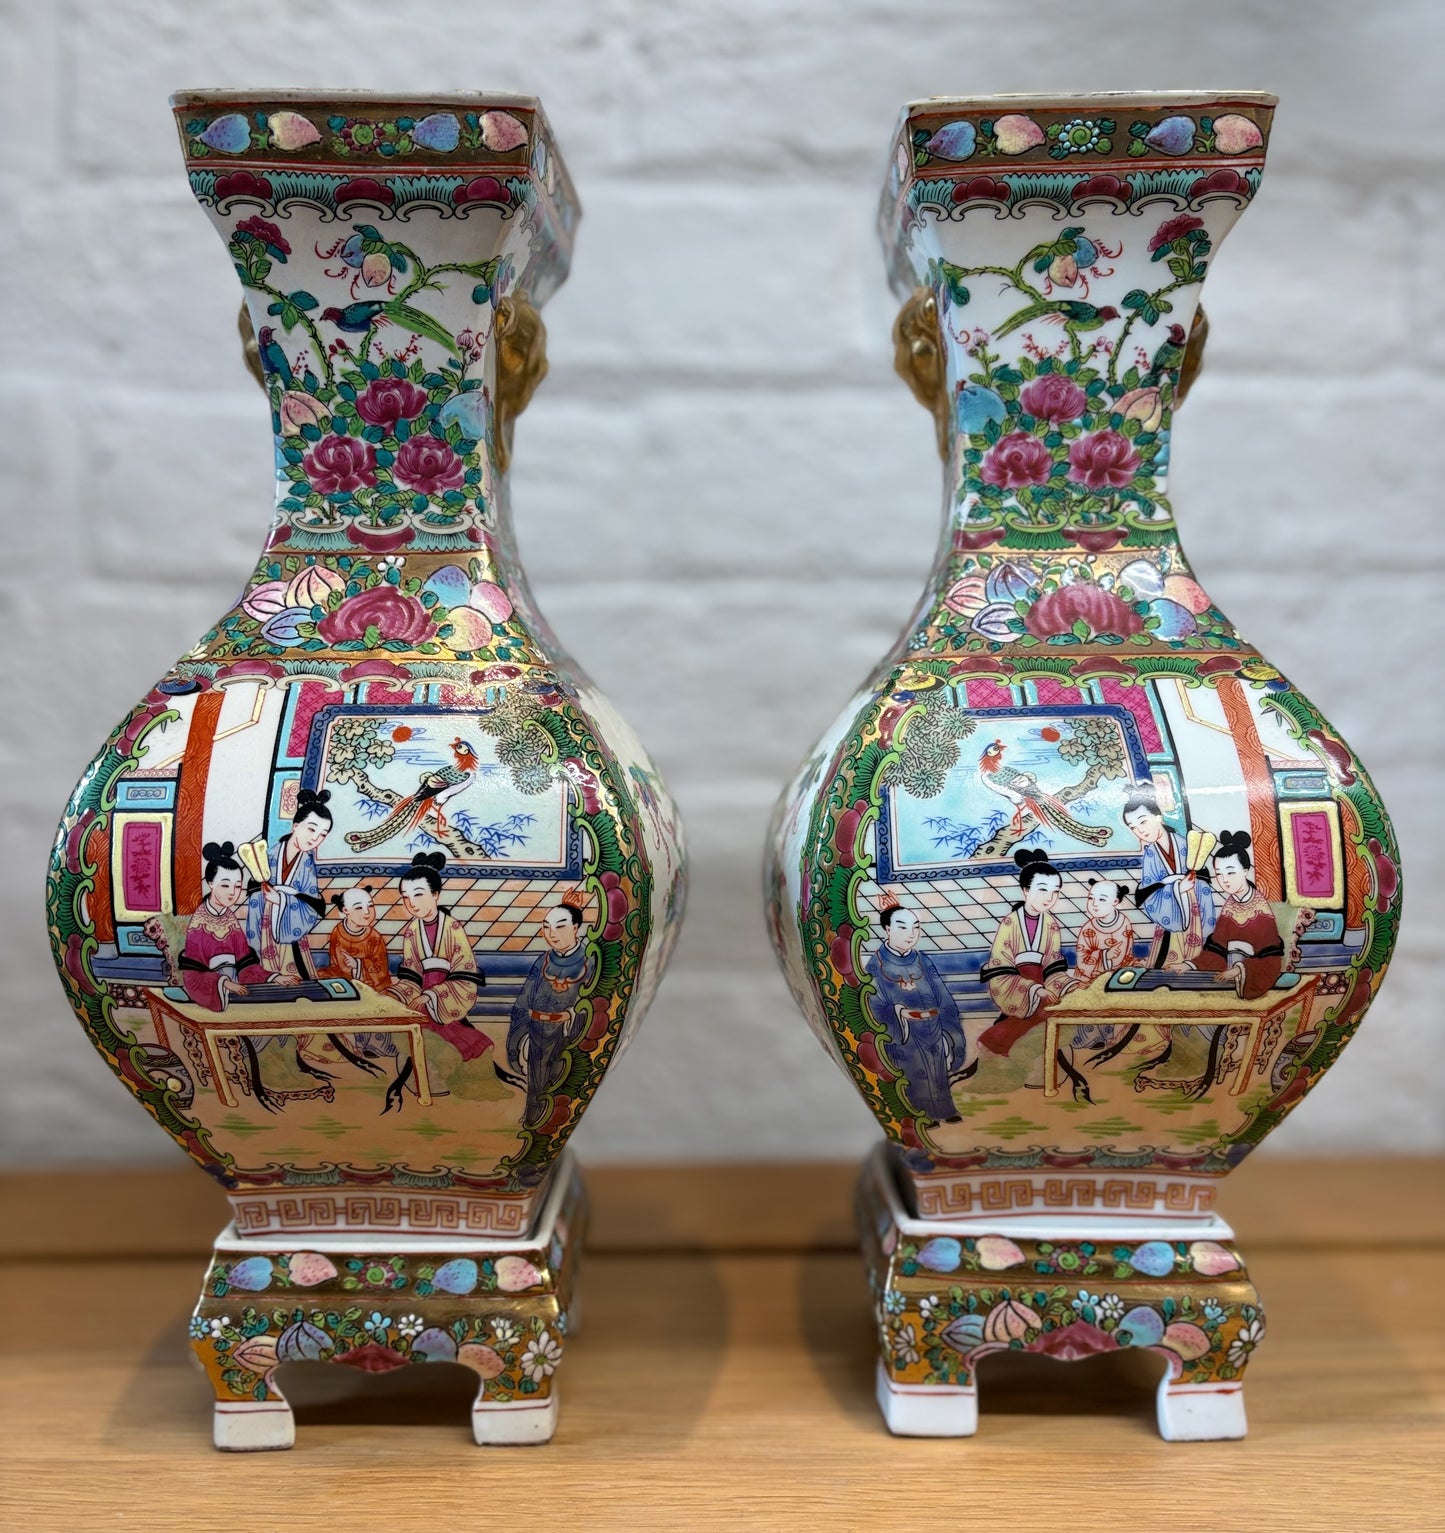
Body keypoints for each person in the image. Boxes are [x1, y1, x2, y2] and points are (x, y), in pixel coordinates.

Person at [978, 849, 1081, 1092]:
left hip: (1043, 982)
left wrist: (1067, 984)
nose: (1049, 898)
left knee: (1064, 1010)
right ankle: (1006, 1067)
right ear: (1025, 890)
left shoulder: (1051, 924)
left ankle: (1041, 1072)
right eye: (1042, 889)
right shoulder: (1010, 923)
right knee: (1038, 1017)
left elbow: (1053, 964)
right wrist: (1034, 989)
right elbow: (1000, 965)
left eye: (1055, 892)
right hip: (1017, 985)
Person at [862, 906, 971, 1127]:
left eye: (916, 927)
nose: (911, 934)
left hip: (933, 1026)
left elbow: (942, 995)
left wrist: (950, 1029)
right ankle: (921, 1114)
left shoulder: (923, 960)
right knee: (914, 1072)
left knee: (937, 1071)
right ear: (887, 929)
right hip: (905, 1031)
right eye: (902, 927)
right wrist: (899, 1012)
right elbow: (874, 1003)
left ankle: (944, 1109)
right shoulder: (877, 964)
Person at [504, 903, 598, 1129]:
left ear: (576, 927)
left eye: (560, 926)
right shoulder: (543, 960)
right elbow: (523, 1001)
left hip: (565, 1034)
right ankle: (533, 1120)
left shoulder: (589, 960)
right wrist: (519, 1037)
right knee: (536, 1082)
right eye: (546, 927)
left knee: (559, 1081)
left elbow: (594, 1004)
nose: (552, 934)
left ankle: (552, 1125)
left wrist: (571, 1018)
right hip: (537, 1032)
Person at [391, 851, 489, 1057]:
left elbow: (464, 973)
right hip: (420, 998)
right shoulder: (412, 931)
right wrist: (395, 993)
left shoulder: (453, 928)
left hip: (443, 1001)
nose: (411, 903)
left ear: (435, 894)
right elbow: (411, 974)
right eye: (405, 897)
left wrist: (431, 995)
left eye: (418, 894)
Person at [1122, 787, 1216, 971]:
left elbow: (1203, 878)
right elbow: (1148, 892)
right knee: (1168, 964)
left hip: (1195, 910)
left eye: (1143, 821)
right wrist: (1177, 889)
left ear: (1158, 817)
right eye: (1133, 827)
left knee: (1195, 959)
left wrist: (1192, 884)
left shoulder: (1184, 843)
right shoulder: (1150, 855)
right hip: (1170, 914)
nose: (1140, 830)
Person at [245, 787, 333, 982]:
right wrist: (265, 897)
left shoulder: (307, 865)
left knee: (296, 980)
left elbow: (312, 904)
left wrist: (282, 899)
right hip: (265, 925)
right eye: (311, 829)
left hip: (291, 931)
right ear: (295, 826)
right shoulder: (268, 856)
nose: (315, 838)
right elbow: (254, 892)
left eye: (322, 834)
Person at [1195, 831, 1286, 1000]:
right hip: (1229, 970)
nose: (1224, 880)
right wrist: (1190, 965)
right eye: (1219, 873)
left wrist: (1239, 969)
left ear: (1245, 871)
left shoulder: (1260, 911)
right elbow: (1217, 947)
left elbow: (1270, 959)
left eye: (1230, 872)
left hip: (1250, 971)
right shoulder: (1230, 906)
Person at [178, 842, 268, 1011]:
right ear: (210, 883)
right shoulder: (199, 925)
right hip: (216, 989)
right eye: (225, 885)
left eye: (238, 886)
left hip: (235, 985)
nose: (232, 893)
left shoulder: (229, 919)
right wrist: (224, 983)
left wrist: (272, 978)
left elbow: (245, 960)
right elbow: (193, 975)